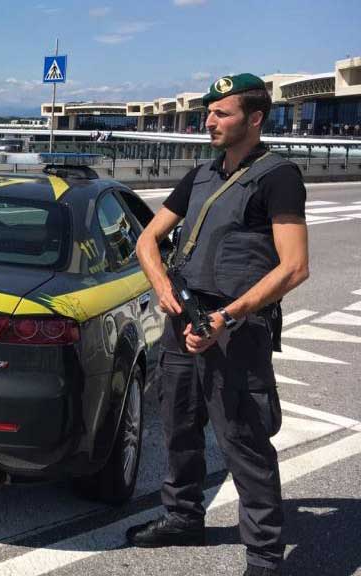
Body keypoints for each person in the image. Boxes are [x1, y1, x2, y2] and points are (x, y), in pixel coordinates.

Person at [130, 73, 310, 576]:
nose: (208, 121)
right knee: (179, 425)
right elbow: (147, 241)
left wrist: (225, 317)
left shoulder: (278, 176)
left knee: (244, 441)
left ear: (254, 119)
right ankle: (183, 516)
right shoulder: (202, 174)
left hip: (236, 327)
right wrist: (163, 289)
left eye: (221, 113)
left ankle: (265, 558)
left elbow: (294, 265)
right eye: (207, 112)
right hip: (183, 317)